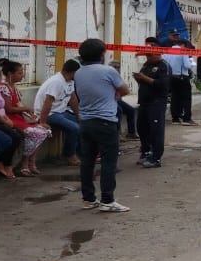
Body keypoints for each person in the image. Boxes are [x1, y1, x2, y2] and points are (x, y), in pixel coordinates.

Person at [73, 38, 130, 213]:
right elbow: (125, 90)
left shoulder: (78, 73)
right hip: (105, 122)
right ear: (102, 54)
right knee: (108, 162)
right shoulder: (108, 71)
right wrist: (115, 93)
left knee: (87, 162)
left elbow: (78, 93)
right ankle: (107, 200)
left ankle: (89, 198)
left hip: (86, 121)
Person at [0, 59, 51, 176]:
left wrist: (28, 113)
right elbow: (9, 109)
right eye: (20, 73)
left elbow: (18, 105)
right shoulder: (4, 88)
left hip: (18, 118)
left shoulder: (14, 87)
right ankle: (25, 164)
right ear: (10, 74)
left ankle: (31, 162)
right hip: (10, 119)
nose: (22, 75)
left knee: (44, 130)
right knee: (37, 133)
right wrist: (26, 109)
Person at [35, 59, 81, 164]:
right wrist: (42, 122)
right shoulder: (56, 82)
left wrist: (79, 116)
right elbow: (47, 103)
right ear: (73, 72)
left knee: (83, 124)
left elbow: (73, 99)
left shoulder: (70, 81)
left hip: (61, 112)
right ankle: (69, 155)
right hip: (51, 113)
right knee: (74, 128)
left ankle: (81, 152)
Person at [134, 36, 170, 169]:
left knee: (156, 131)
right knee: (142, 129)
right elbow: (144, 81)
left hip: (156, 102)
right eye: (147, 55)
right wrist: (139, 78)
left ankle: (156, 158)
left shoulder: (163, 66)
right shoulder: (146, 65)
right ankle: (146, 152)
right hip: (144, 102)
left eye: (150, 55)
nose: (148, 57)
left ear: (158, 52)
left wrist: (144, 78)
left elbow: (162, 85)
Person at [164, 40, 197, 125]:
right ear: (183, 45)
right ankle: (187, 118)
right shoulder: (183, 51)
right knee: (186, 98)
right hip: (182, 77)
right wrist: (191, 63)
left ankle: (175, 118)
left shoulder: (166, 51)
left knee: (175, 98)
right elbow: (187, 65)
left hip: (171, 77)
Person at [108, 59, 139, 139]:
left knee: (131, 110)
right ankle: (117, 134)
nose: (116, 69)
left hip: (117, 100)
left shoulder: (117, 77)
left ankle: (131, 133)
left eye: (118, 67)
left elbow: (124, 90)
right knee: (119, 111)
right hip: (109, 101)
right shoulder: (107, 75)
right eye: (114, 67)